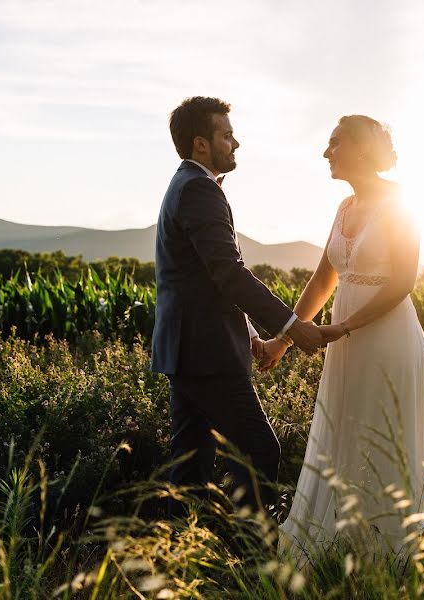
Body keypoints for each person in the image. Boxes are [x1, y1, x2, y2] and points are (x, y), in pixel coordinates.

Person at [265, 115, 424, 565]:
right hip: (342, 340)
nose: (326, 153)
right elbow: (324, 279)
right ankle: (342, 543)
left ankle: (386, 552)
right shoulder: (345, 207)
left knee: (381, 435)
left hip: (387, 338)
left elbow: (403, 281)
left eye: (334, 143)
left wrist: (341, 328)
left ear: (360, 149)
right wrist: (282, 340)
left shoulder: (401, 204)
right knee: (344, 432)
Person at [150, 96, 325, 519]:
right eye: (226, 135)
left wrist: (248, 334)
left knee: (190, 464)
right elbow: (228, 273)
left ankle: (178, 558)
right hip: (206, 352)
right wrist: (292, 325)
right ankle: (255, 557)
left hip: (188, 348)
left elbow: (209, 276)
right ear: (201, 145)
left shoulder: (187, 185)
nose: (236, 143)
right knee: (258, 450)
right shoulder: (199, 190)